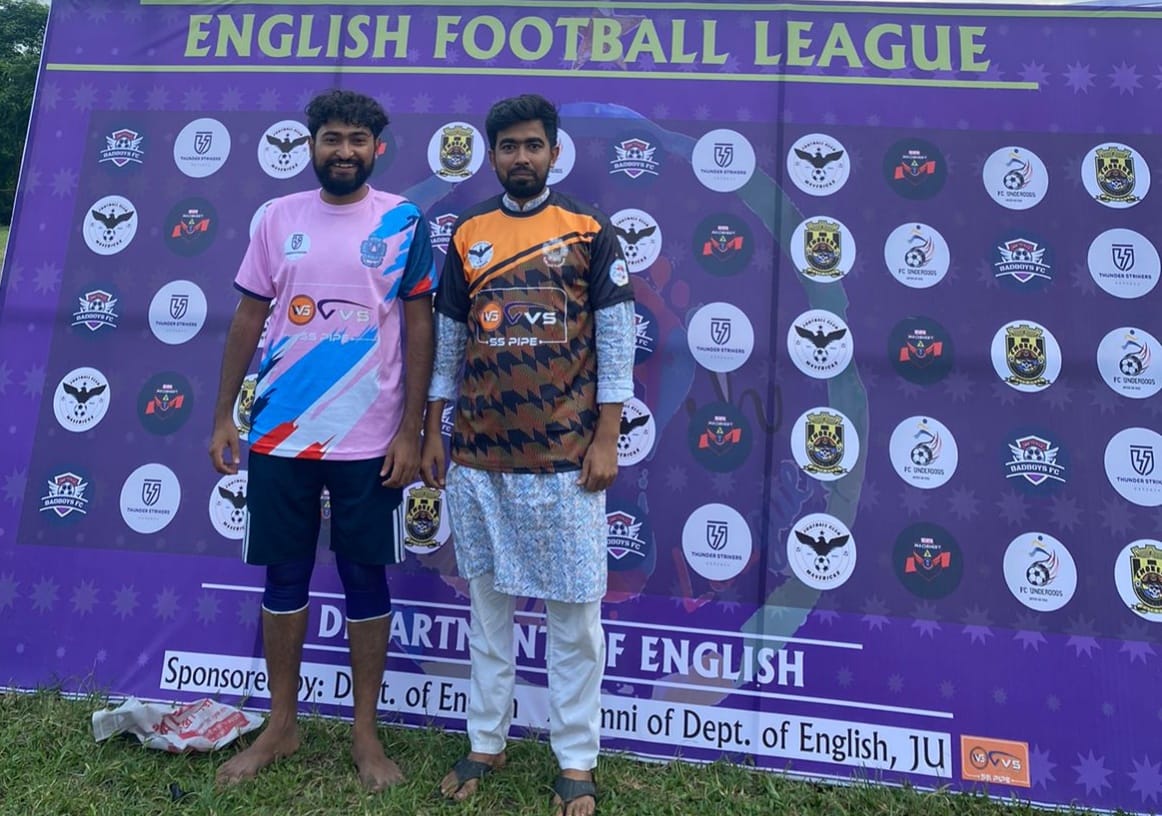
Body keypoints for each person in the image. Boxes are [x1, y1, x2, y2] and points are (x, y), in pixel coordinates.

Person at [208, 89, 437, 790]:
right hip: (281, 434)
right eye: (332, 138)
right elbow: (249, 318)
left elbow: (420, 325)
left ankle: (365, 734)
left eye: (357, 140)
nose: (344, 151)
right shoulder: (277, 217)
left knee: (366, 578)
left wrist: (412, 429)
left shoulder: (403, 220)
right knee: (284, 576)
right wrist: (223, 417)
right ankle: (282, 724)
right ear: (311, 145)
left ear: (378, 148)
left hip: (370, 440)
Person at [422, 94, 636, 816]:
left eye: (532, 145)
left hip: (566, 458)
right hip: (479, 458)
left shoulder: (589, 229)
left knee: (576, 622)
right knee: (489, 613)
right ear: (492, 155)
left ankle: (576, 758)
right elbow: (450, 343)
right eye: (508, 146)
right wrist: (433, 431)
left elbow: (616, 342)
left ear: (554, 151)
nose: (521, 157)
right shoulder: (469, 233)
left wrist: (606, 437)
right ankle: (486, 741)